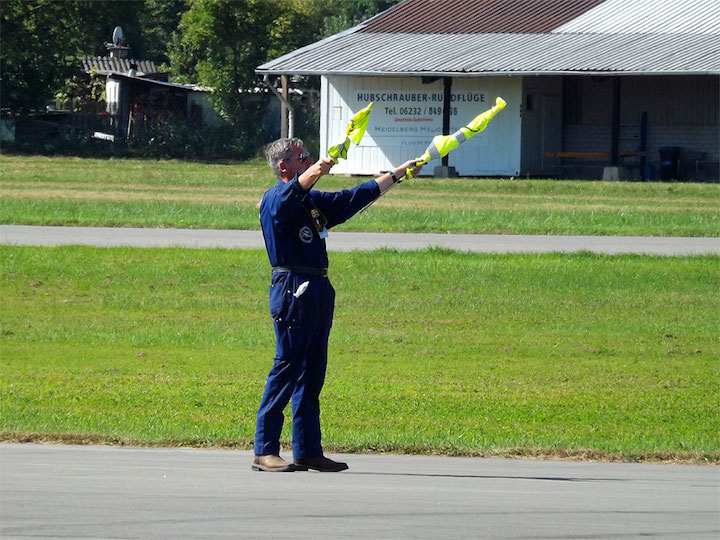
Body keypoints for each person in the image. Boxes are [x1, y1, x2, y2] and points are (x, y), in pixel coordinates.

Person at [253, 137, 422, 472]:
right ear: (284, 166)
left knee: (312, 372)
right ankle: (264, 449)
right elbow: (290, 194)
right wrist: (321, 166)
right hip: (293, 288)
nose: (308, 160)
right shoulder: (275, 198)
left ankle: (307, 450)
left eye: (309, 157)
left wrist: (397, 174)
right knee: (286, 367)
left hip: (318, 285)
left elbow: (351, 199)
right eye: (302, 157)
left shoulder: (310, 202)